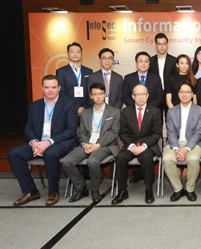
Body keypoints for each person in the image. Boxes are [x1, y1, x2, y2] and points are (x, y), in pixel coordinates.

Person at [8, 75, 78, 206]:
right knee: (14, 153)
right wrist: (34, 142)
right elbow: (28, 128)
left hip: (62, 142)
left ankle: (53, 191)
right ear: (42, 88)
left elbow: (71, 130)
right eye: (47, 87)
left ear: (59, 88)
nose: (50, 90)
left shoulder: (69, 104)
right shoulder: (35, 105)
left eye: (53, 87)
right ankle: (30, 191)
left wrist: (49, 142)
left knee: (50, 153)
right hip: (39, 142)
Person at [61, 83, 120, 203]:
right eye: (95, 94)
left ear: (105, 95)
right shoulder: (85, 113)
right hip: (87, 144)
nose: (98, 97)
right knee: (67, 161)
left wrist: (98, 145)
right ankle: (81, 188)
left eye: (101, 94)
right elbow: (81, 132)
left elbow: (114, 133)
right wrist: (85, 144)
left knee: (93, 161)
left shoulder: (114, 112)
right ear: (91, 96)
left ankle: (95, 190)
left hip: (105, 145)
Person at [112, 84, 162, 205]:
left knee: (146, 157)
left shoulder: (155, 111)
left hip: (148, 145)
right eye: (138, 95)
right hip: (131, 144)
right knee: (120, 157)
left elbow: (157, 133)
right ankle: (122, 191)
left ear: (148, 96)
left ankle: (149, 191)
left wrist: (144, 146)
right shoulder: (125, 112)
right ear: (133, 96)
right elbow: (123, 132)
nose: (141, 97)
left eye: (143, 94)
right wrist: (131, 146)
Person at [164, 82, 201, 202]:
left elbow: (198, 133)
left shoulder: (200, 111)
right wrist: (177, 149)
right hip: (174, 143)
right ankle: (178, 189)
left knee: (193, 159)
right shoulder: (171, 111)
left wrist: (186, 149)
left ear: (192, 94)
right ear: (178, 94)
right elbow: (170, 132)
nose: (185, 94)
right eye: (182, 92)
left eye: (188, 92)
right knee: (167, 159)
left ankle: (189, 189)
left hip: (194, 143)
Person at [56, 42, 93, 116]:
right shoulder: (61, 71)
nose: (75, 54)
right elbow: (61, 93)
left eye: (78, 52)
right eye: (72, 52)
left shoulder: (89, 71)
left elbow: (91, 91)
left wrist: (84, 108)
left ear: (81, 54)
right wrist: (76, 108)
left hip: (86, 110)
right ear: (68, 54)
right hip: (69, 110)